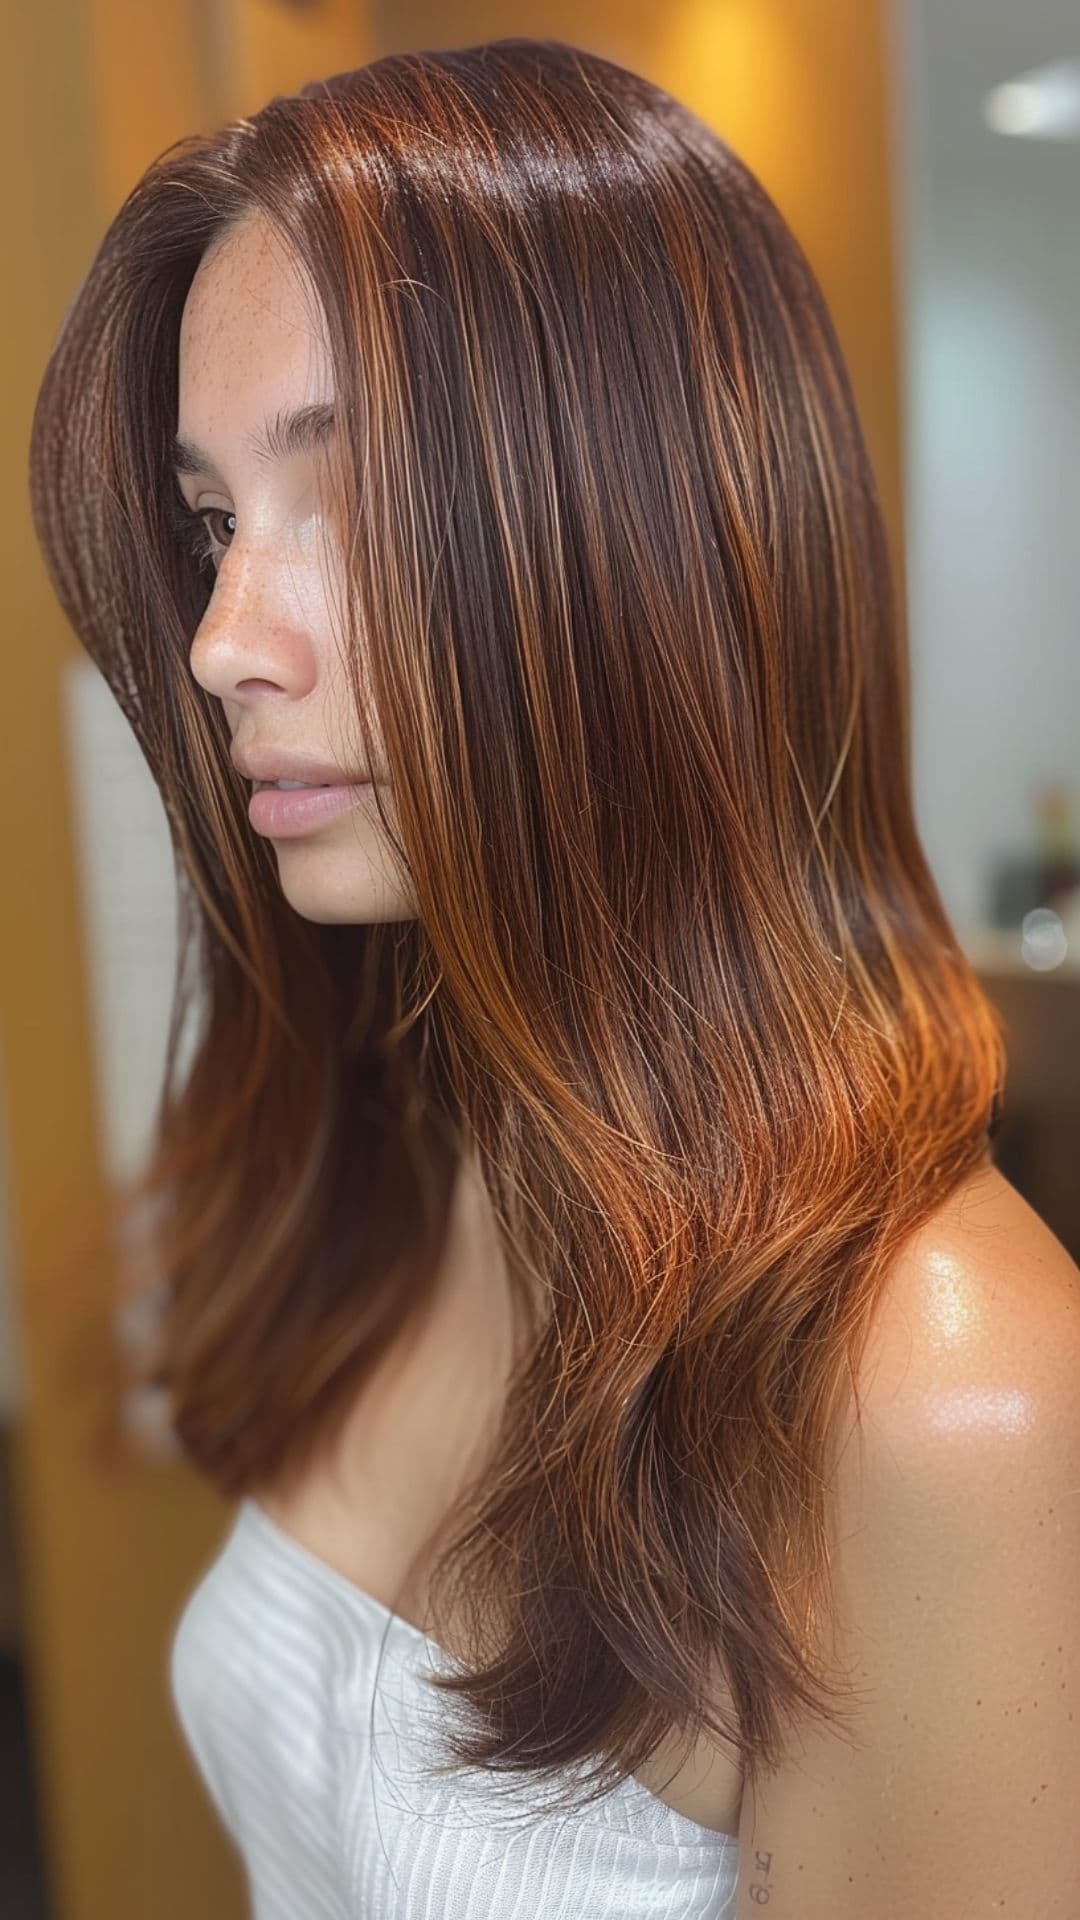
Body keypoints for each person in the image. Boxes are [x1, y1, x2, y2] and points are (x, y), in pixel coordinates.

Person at [28, 37, 1079, 1920]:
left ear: (641, 540)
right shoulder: (419, 1134)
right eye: (211, 522)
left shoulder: (940, 1391)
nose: (217, 643)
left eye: (340, 500)